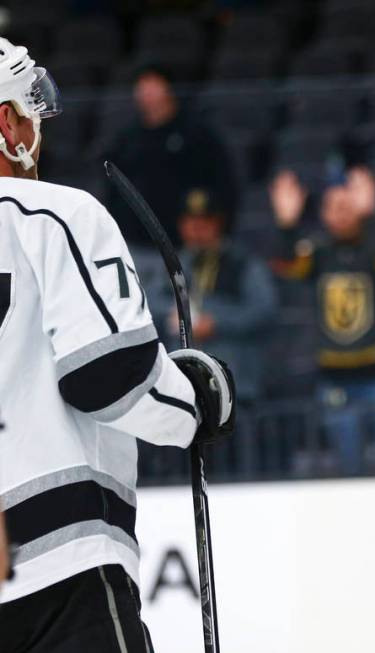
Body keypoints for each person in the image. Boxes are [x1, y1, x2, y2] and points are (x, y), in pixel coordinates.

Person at [0, 39, 235, 651]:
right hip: (56, 566)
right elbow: (107, 375)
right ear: (6, 120)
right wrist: (197, 401)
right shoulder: (52, 215)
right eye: (29, 111)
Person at [270, 165, 375, 475]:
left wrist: (371, 216)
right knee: (349, 474)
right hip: (337, 381)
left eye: (347, 205)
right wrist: (286, 224)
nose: (341, 213)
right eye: (333, 206)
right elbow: (285, 267)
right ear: (322, 213)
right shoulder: (318, 251)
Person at [103, 63, 238, 248]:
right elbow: (113, 188)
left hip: (186, 245)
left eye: (153, 84)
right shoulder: (127, 140)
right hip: (137, 243)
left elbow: (223, 183)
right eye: (142, 86)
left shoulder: (196, 133)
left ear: (168, 88)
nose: (146, 92)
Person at [164, 188, 278, 404]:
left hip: (235, 383)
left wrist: (216, 322)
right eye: (190, 223)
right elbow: (149, 301)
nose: (197, 231)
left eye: (204, 223)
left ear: (218, 223)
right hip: (187, 385)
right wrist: (176, 315)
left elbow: (264, 310)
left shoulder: (242, 264)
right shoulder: (176, 264)